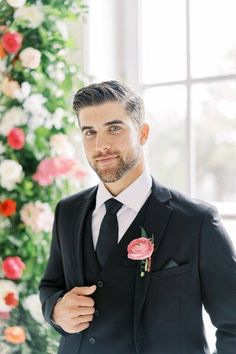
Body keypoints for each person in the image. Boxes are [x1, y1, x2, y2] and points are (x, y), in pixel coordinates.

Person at [39, 80, 236, 354]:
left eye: (114, 128)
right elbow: (51, 286)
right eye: (90, 132)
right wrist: (56, 311)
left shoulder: (197, 221)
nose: (101, 145)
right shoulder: (67, 212)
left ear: (142, 133)